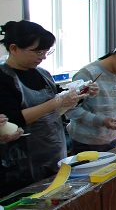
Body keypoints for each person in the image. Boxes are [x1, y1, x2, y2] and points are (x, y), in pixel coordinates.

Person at [0, 21, 92, 195]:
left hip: (53, 151)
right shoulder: (4, 77)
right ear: (14, 48)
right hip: (21, 161)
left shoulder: (42, 73)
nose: (42, 57)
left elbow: (58, 101)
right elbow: (13, 119)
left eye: (45, 52)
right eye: (38, 52)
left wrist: (80, 93)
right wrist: (55, 103)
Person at [67, 40, 116, 153]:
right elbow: (70, 110)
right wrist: (101, 121)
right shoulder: (87, 74)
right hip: (86, 141)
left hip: (112, 138)